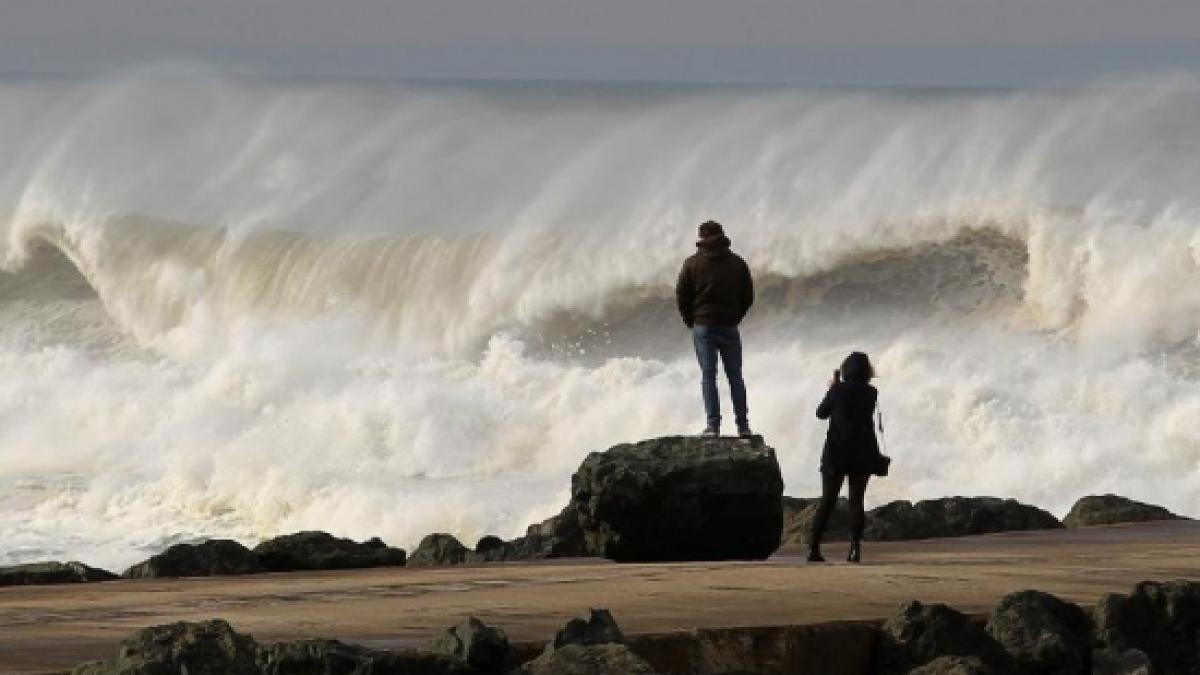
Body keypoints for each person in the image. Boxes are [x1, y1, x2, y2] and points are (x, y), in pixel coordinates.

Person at [675, 220, 755, 438]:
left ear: (701, 238)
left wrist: (691, 320)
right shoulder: (737, 263)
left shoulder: (691, 264)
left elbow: (682, 296)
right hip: (729, 326)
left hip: (704, 326)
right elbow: (748, 296)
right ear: (722, 236)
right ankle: (743, 426)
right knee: (735, 376)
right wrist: (735, 317)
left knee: (709, 376)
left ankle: (713, 427)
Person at [808, 351, 884, 563]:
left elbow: (821, 413)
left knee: (827, 501)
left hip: (836, 451)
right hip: (863, 452)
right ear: (867, 371)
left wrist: (832, 389)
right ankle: (854, 550)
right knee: (856, 501)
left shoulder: (837, 390)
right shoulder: (872, 392)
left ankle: (814, 549)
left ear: (845, 370)